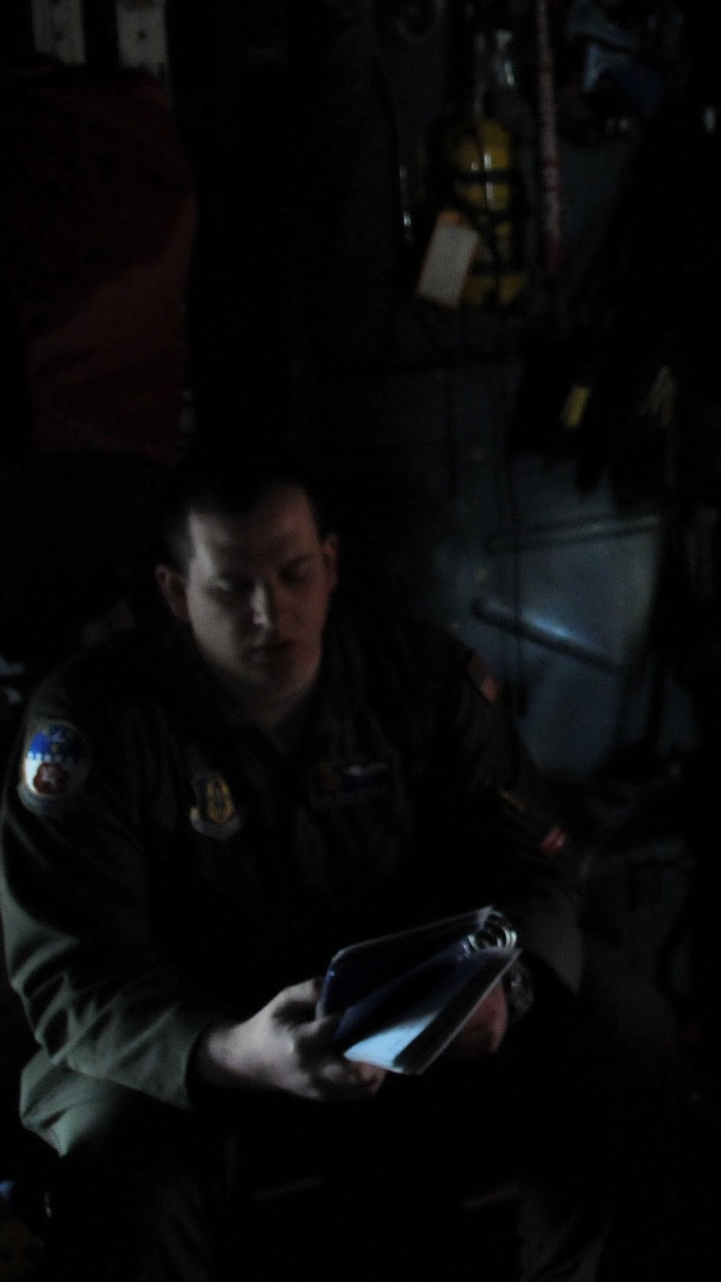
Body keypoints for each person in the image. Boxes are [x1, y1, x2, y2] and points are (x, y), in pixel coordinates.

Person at [1, 447, 667, 1280]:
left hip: (405, 1029)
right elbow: (72, 975)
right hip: (191, 1049)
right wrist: (228, 1051)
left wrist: (509, 980)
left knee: (617, 1026)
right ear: (175, 593)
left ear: (331, 563)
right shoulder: (95, 722)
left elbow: (529, 864)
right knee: (115, 1150)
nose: (268, 613)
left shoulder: (419, 678)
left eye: (292, 574)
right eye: (231, 587)